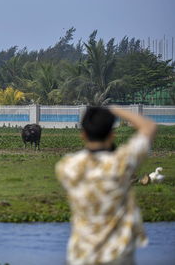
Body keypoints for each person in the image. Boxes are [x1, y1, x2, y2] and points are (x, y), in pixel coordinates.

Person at [56, 106, 157, 265]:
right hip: (117, 254)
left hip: (79, 256)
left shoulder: (68, 166)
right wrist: (113, 109)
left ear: (83, 135)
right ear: (112, 135)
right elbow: (149, 127)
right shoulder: (122, 162)